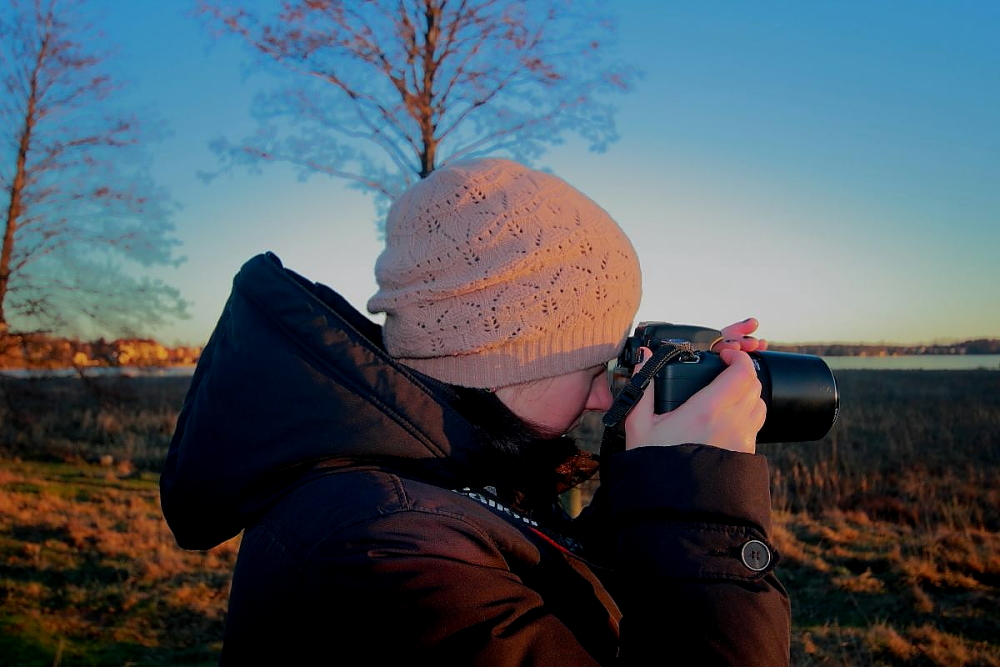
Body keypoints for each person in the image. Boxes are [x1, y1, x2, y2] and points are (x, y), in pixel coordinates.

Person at [160, 158, 790, 665]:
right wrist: (702, 504)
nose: (603, 397)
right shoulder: (383, 557)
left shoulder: (430, 482)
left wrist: (653, 474)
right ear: (506, 361)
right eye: (593, 368)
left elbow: (559, 585)